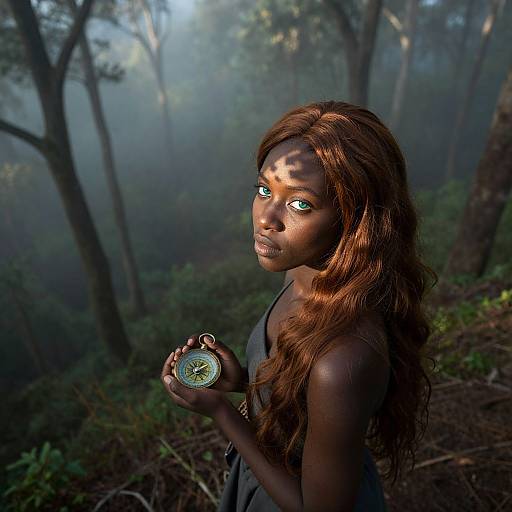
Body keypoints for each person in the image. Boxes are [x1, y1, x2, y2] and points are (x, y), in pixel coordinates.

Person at [161, 101, 436, 511]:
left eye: (300, 204)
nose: (267, 217)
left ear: (354, 218)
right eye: (263, 190)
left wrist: (222, 413)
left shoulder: (343, 360)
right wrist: (247, 383)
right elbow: (305, 404)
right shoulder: (303, 273)